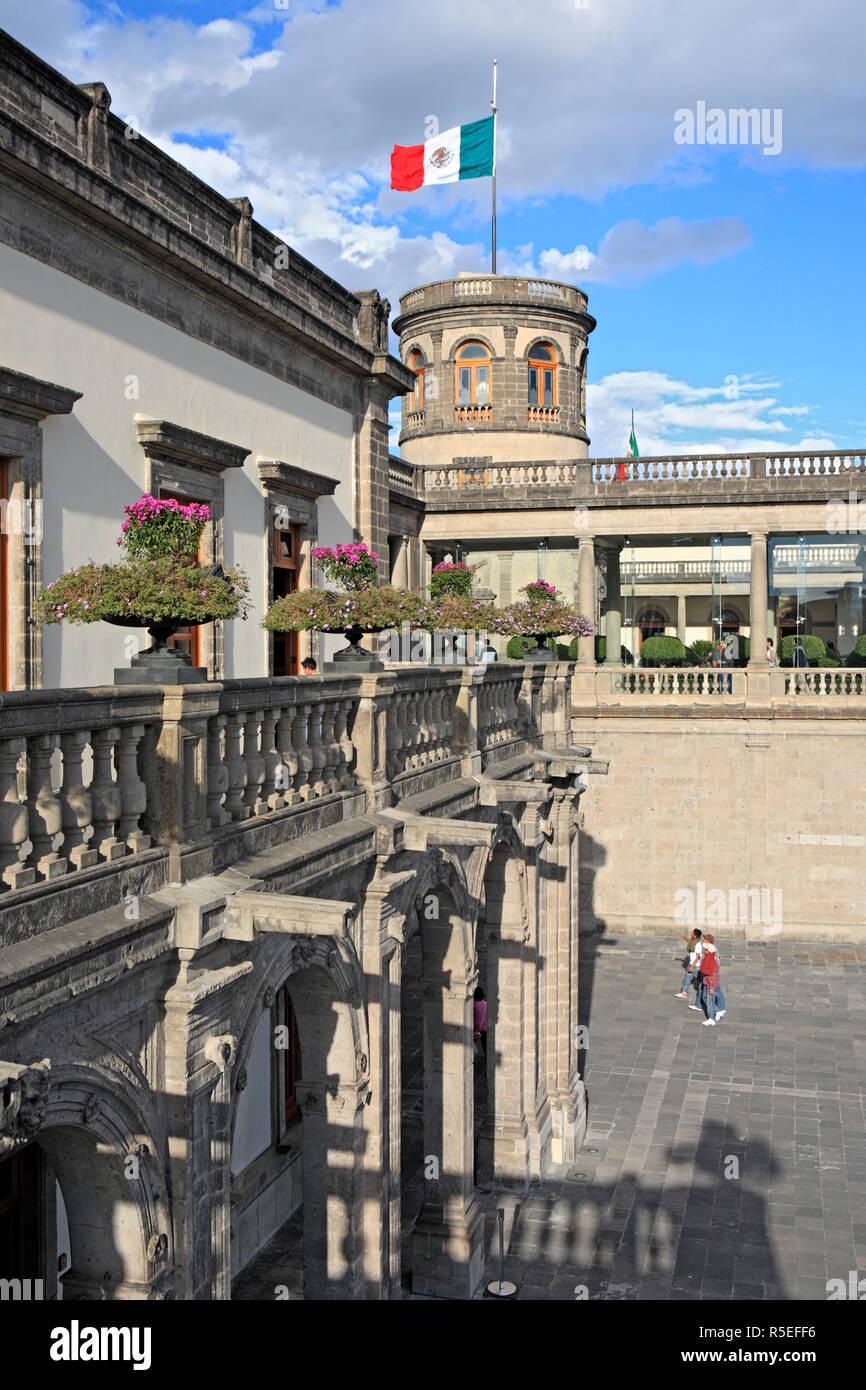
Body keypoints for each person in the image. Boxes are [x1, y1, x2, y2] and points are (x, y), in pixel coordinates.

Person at [676, 928, 703, 1003]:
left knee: (687, 978)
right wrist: (685, 938)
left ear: (695, 935)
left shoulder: (697, 945)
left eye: (692, 933)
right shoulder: (694, 941)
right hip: (694, 964)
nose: (691, 934)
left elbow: (697, 957)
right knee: (699, 979)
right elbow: (690, 942)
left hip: (695, 965)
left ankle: (684, 992)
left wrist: (692, 966)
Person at [698, 939, 721, 1025]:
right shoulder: (709, 957)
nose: (703, 950)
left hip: (710, 983)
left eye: (704, 949)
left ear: (708, 951)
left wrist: (711, 988)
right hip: (706, 981)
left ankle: (711, 1018)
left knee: (709, 1001)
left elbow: (712, 975)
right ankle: (718, 1010)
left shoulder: (711, 961)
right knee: (704, 997)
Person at [473, 986, 488, 1055]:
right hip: (484, 1029)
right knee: (485, 1047)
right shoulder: (485, 1004)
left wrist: (476, 1030)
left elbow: (476, 1017)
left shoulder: (473, 1004)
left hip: (475, 1029)